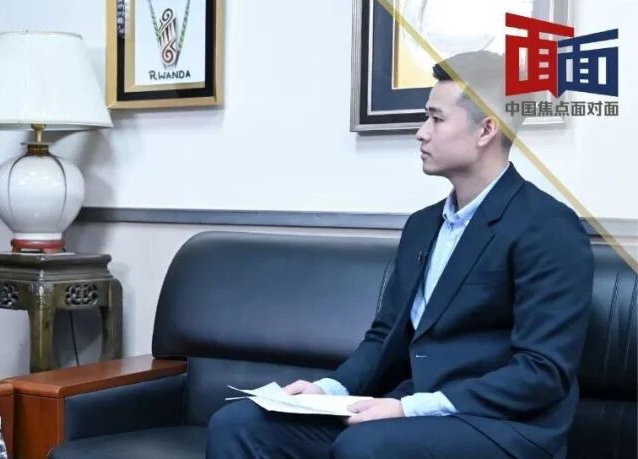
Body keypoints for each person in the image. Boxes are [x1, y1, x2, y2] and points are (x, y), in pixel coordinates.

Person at [207, 51, 593, 458]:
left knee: (364, 447)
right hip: (413, 408)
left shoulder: (547, 226)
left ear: (486, 130)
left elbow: (542, 371)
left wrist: (408, 408)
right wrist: (328, 389)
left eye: (436, 119)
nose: (421, 133)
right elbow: (384, 336)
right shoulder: (423, 226)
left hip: (502, 426)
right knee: (239, 424)